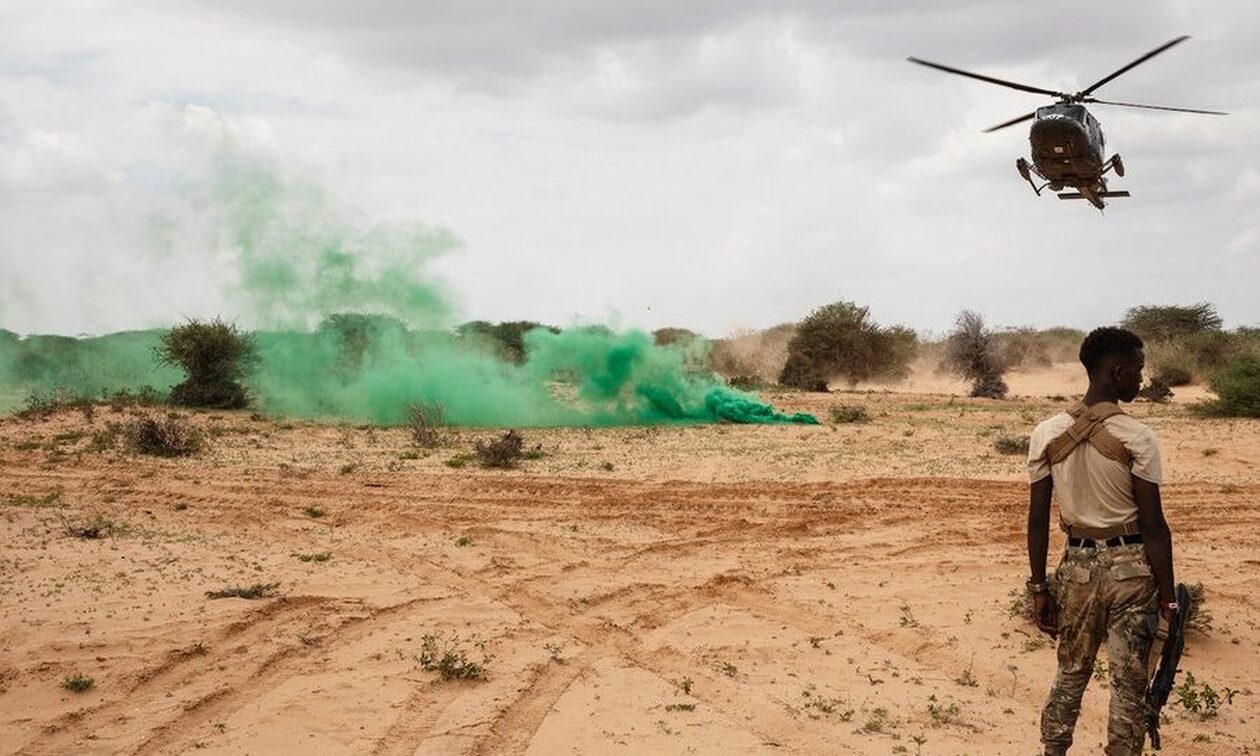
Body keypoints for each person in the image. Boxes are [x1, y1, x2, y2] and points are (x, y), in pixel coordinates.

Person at [1026, 327, 1176, 755]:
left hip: (1077, 568)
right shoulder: (1138, 437)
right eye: (1137, 370)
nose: (1141, 380)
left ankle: (1052, 750)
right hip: (1132, 572)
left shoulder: (1046, 432)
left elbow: (1037, 521)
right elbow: (1154, 526)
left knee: (1070, 674)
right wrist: (1169, 599)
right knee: (1129, 687)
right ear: (1116, 370)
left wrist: (1039, 587)